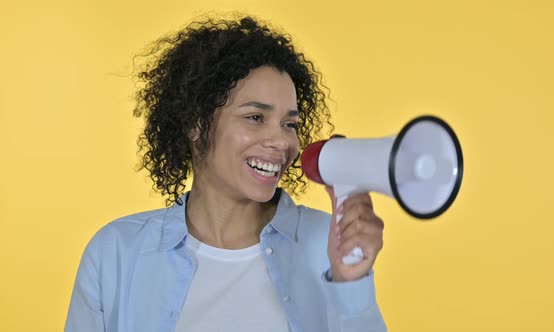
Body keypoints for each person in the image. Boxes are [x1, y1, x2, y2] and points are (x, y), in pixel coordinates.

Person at [66, 15, 387, 332]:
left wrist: (350, 282)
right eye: (255, 117)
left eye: (290, 124)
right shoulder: (117, 253)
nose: (281, 141)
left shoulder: (329, 243)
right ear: (196, 123)